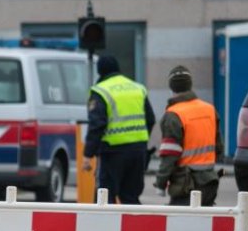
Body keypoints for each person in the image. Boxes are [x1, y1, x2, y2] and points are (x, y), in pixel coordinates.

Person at [82, 55, 155, 204]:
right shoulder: (138, 88)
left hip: (112, 153)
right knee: (131, 198)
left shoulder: (100, 91)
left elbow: (97, 125)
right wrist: (139, 139)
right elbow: (151, 119)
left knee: (105, 198)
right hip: (138, 151)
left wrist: (87, 155)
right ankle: (133, 220)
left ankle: (106, 221)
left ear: (100, 71)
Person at [155, 64, 221, 205]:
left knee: (180, 218)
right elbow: (219, 148)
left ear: (171, 87)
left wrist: (161, 183)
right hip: (210, 182)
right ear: (190, 84)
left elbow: (170, 155)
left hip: (185, 185)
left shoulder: (173, 114)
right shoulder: (209, 109)